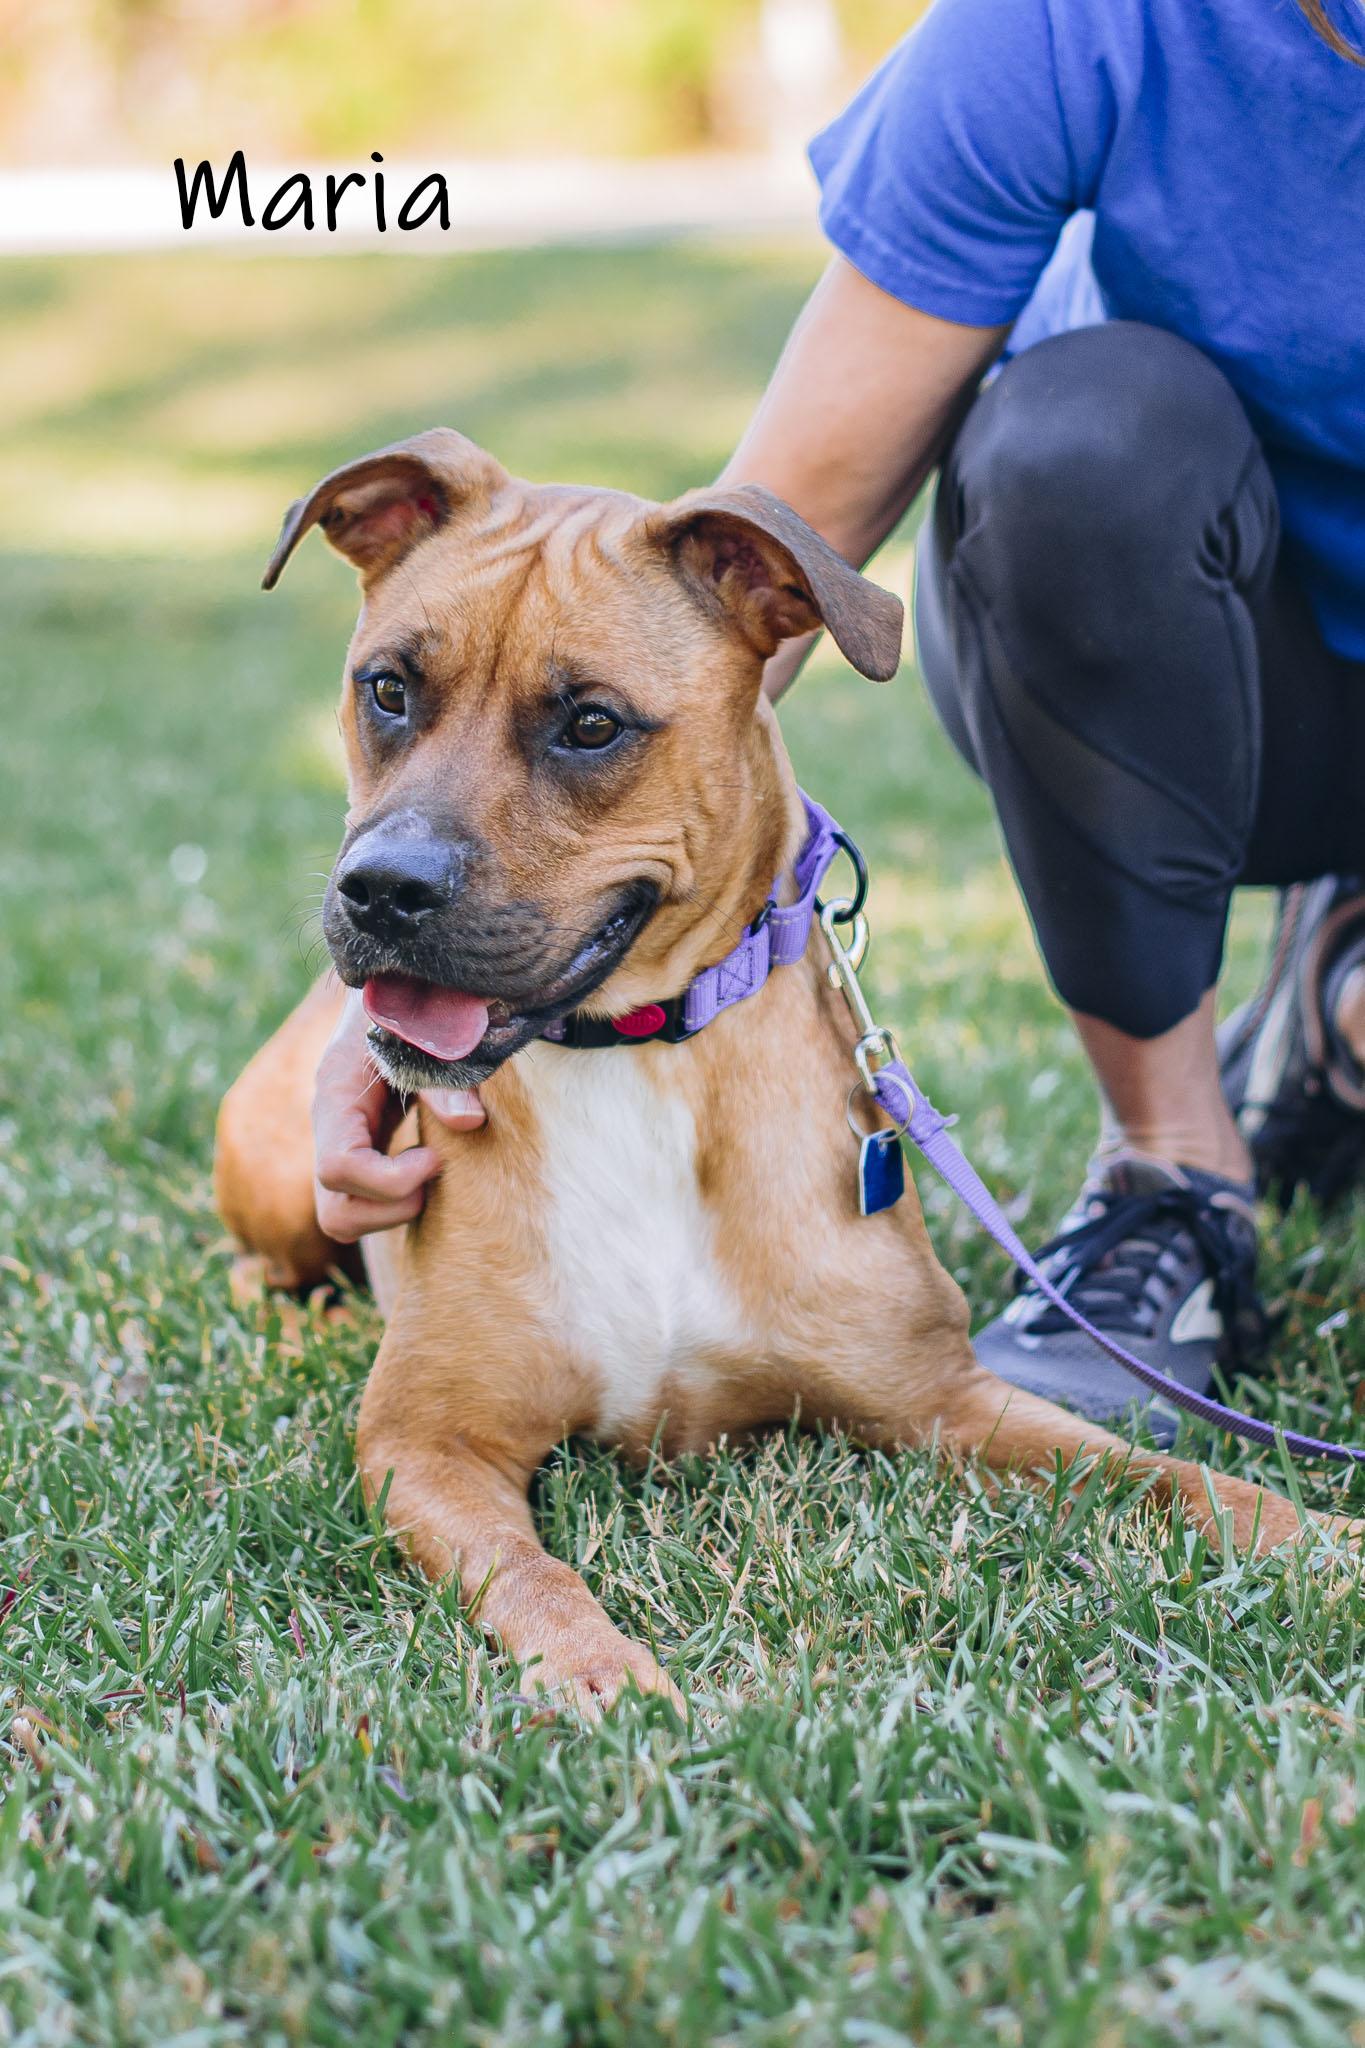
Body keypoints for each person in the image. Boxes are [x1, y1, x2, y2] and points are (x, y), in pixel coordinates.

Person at [309, 0, 1365, 1444]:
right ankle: (1169, 1174)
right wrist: (390, 991)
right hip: (1200, 678)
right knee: (1081, 439)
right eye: (392, 698)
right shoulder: (1076, 24)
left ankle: (1334, 985)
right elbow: (730, 582)